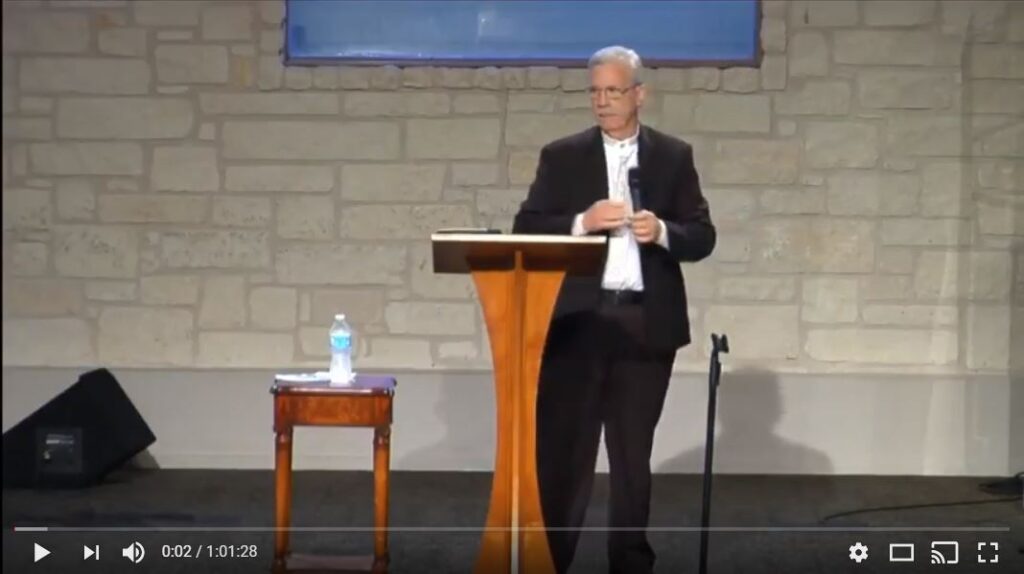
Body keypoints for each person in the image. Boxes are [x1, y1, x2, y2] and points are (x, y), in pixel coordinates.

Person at [512, 46, 716, 574]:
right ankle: (550, 561)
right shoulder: (562, 156)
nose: (602, 102)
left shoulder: (673, 156)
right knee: (565, 456)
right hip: (578, 324)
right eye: (595, 92)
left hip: (644, 327)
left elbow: (702, 235)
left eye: (613, 91)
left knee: (631, 458)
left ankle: (630, 562)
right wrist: (582, 221)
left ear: (639, 94)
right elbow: (526, 228)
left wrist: (665, 232)